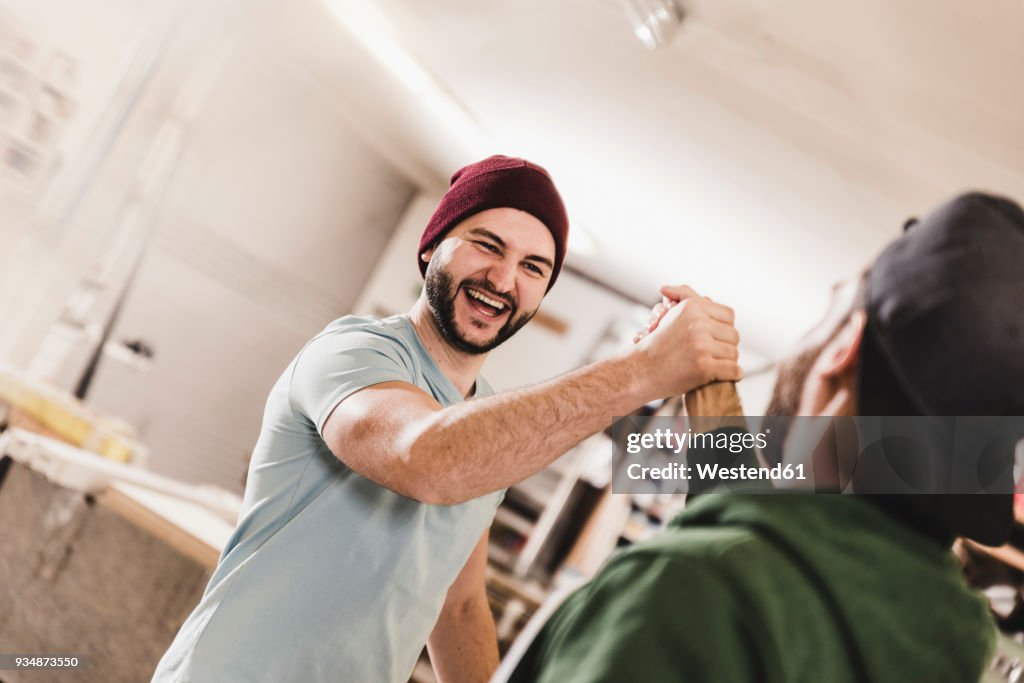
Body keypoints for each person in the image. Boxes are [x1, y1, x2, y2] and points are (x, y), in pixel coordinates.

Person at [151, 155, 743, 682]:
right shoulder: (353, 352)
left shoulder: (484, 421)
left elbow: (457, 603)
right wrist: (638, 373)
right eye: (488, 245)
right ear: (433, 246)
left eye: (534, 267)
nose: (504, 280)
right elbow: (426, 459)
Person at [501, 191, 1024, 683]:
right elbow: (795, 542)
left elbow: (759, 561)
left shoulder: (688, 592)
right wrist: (712, 405)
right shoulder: (952, 644)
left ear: (846, 344)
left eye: (830, 312)